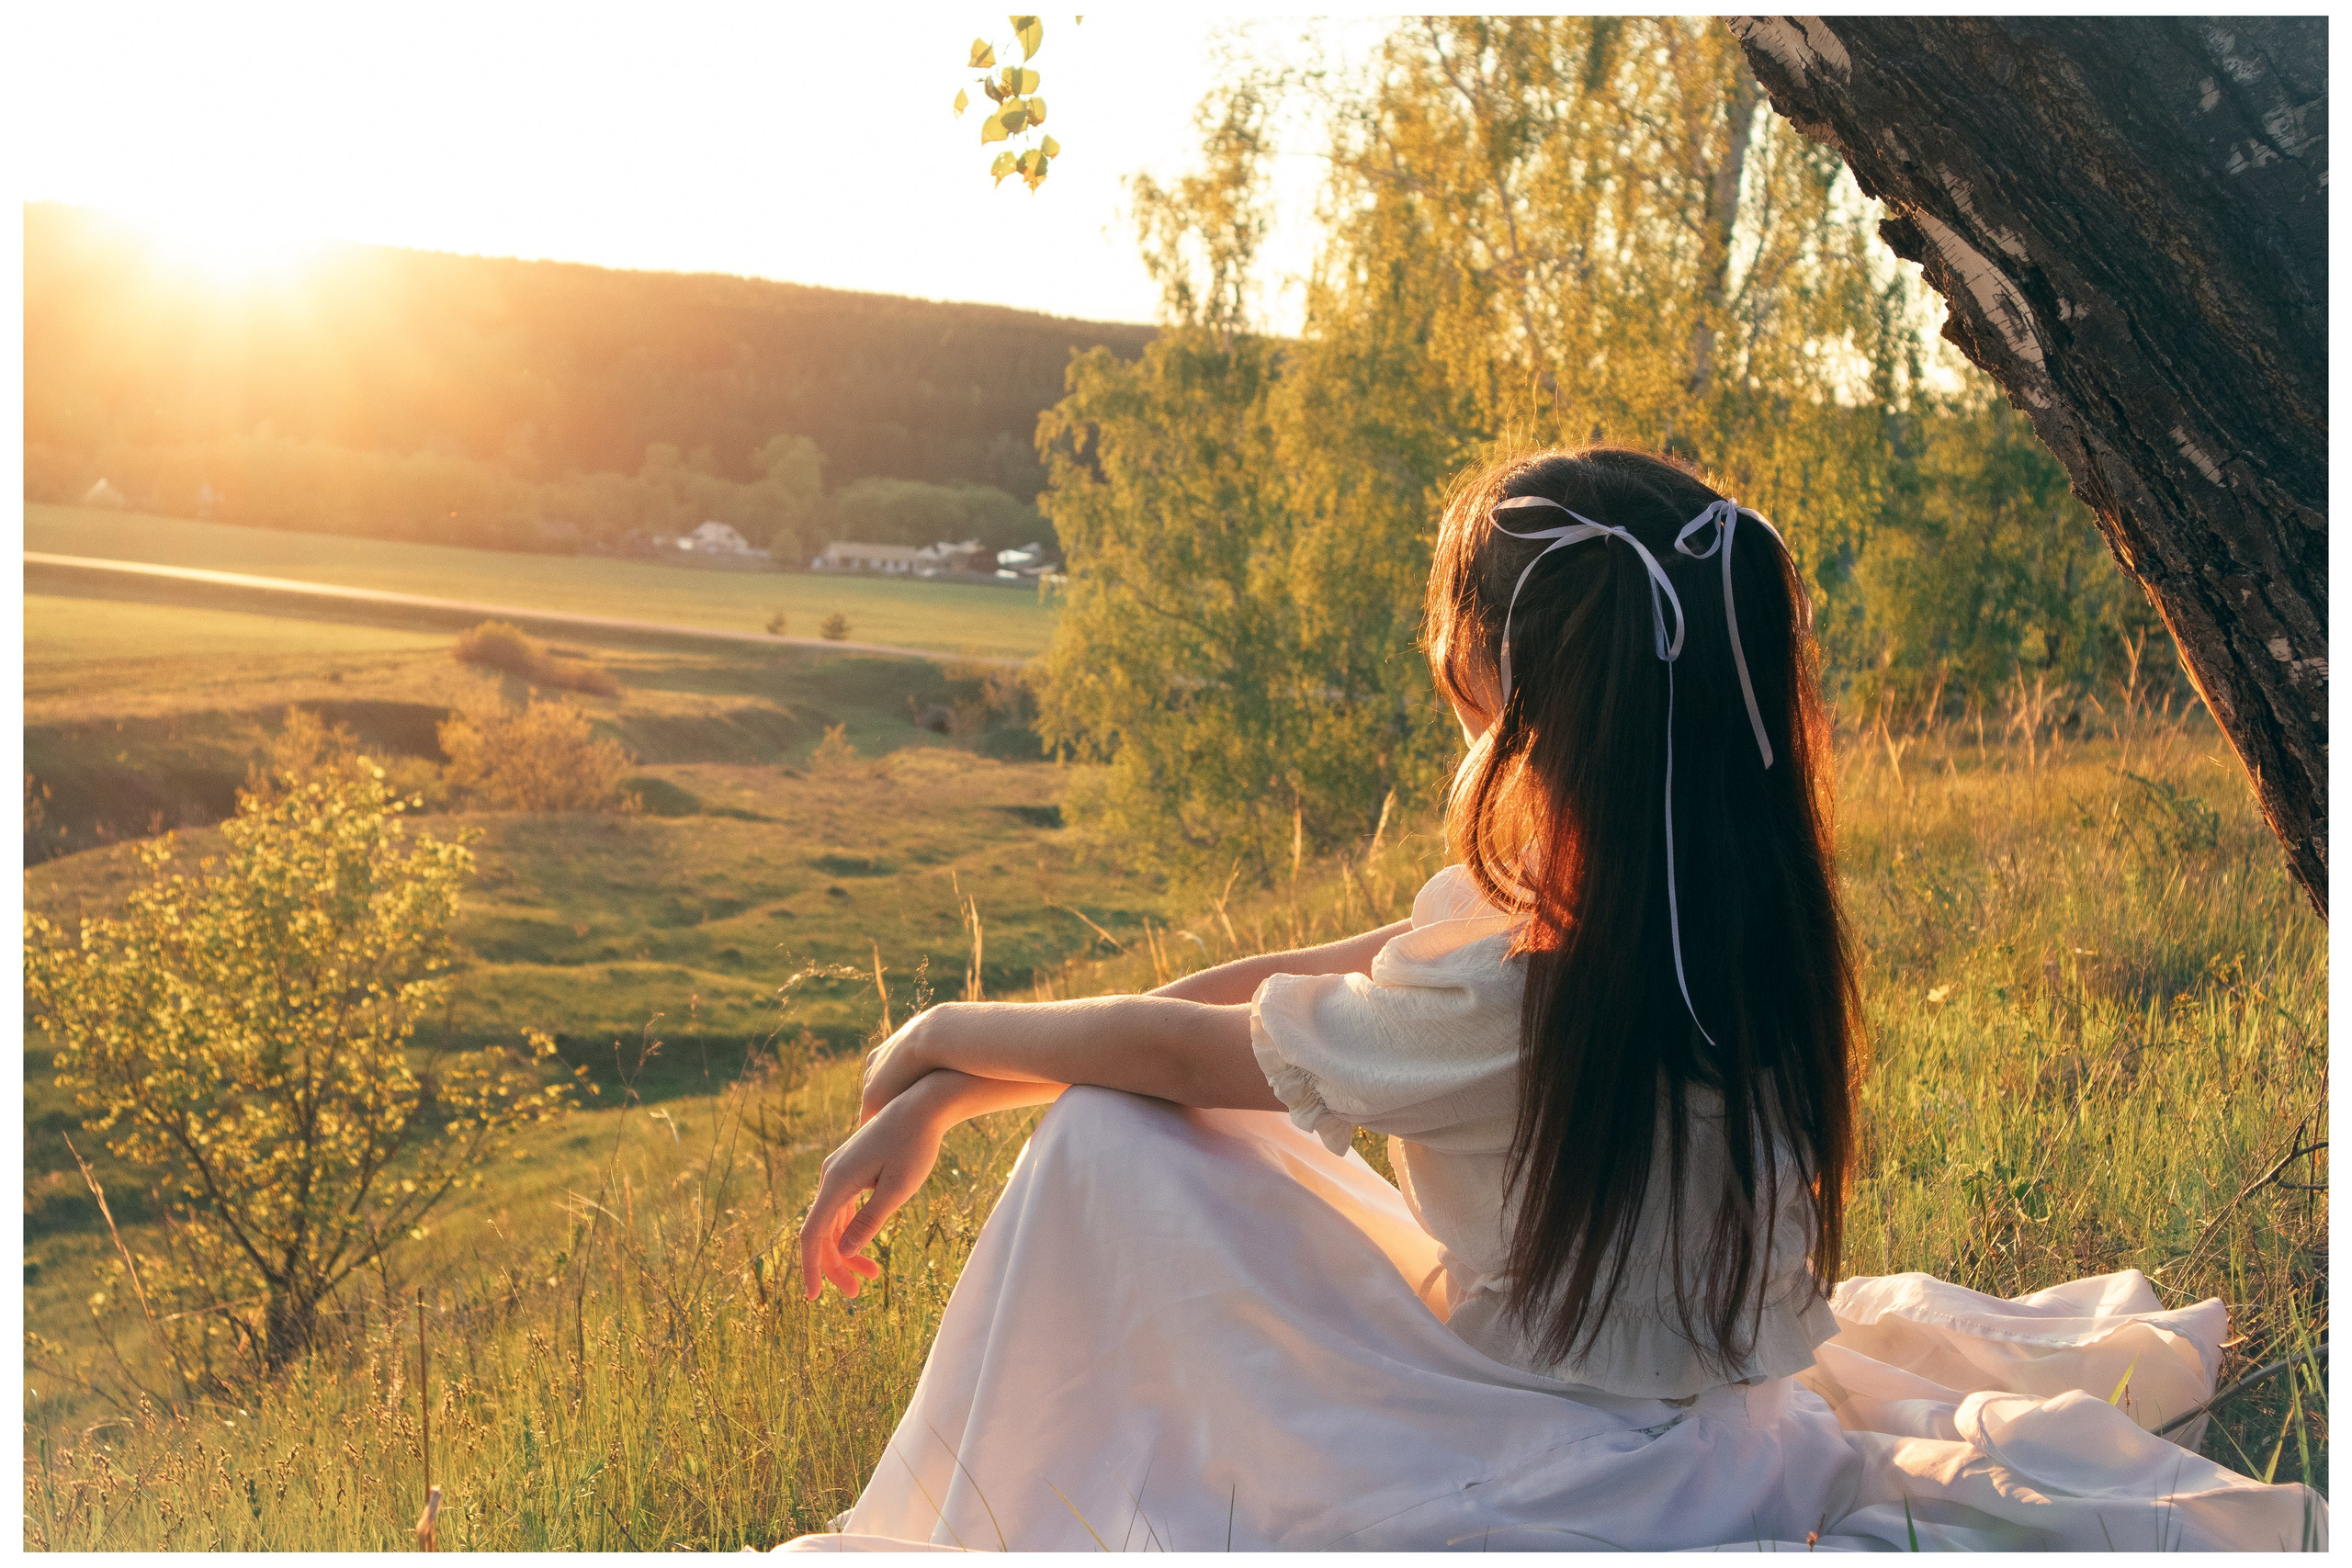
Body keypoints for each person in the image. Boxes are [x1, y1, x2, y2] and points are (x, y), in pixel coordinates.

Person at [784, 448, 2324, 1552]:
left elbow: (1186, 1048)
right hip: (1703, 1429)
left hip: (1564, 1478)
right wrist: (950, 1098)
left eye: (1464, 686)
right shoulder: (1709, 913)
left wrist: (933, 1037)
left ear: (1517, 707)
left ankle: (997, 1511)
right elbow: (1254, 993)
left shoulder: (1524, 999)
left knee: (1112, 1149)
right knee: (1131, 1103)